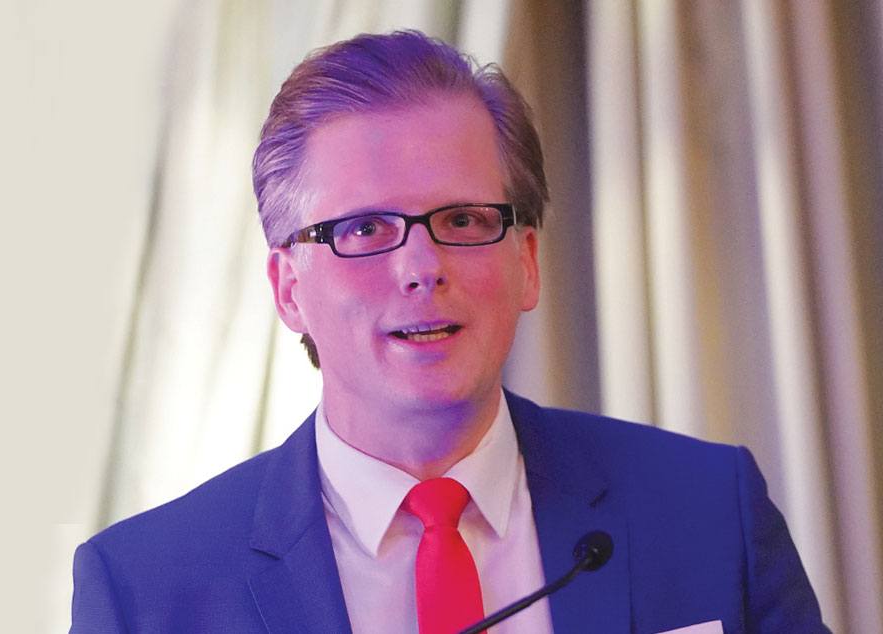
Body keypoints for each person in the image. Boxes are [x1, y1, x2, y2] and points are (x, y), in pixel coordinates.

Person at [72, 31, 827, 633]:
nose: (422, 268)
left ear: (526, 262)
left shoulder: (707, 511)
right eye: (364, 229)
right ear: (289, 289)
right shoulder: (148, 590)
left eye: (463, 220)